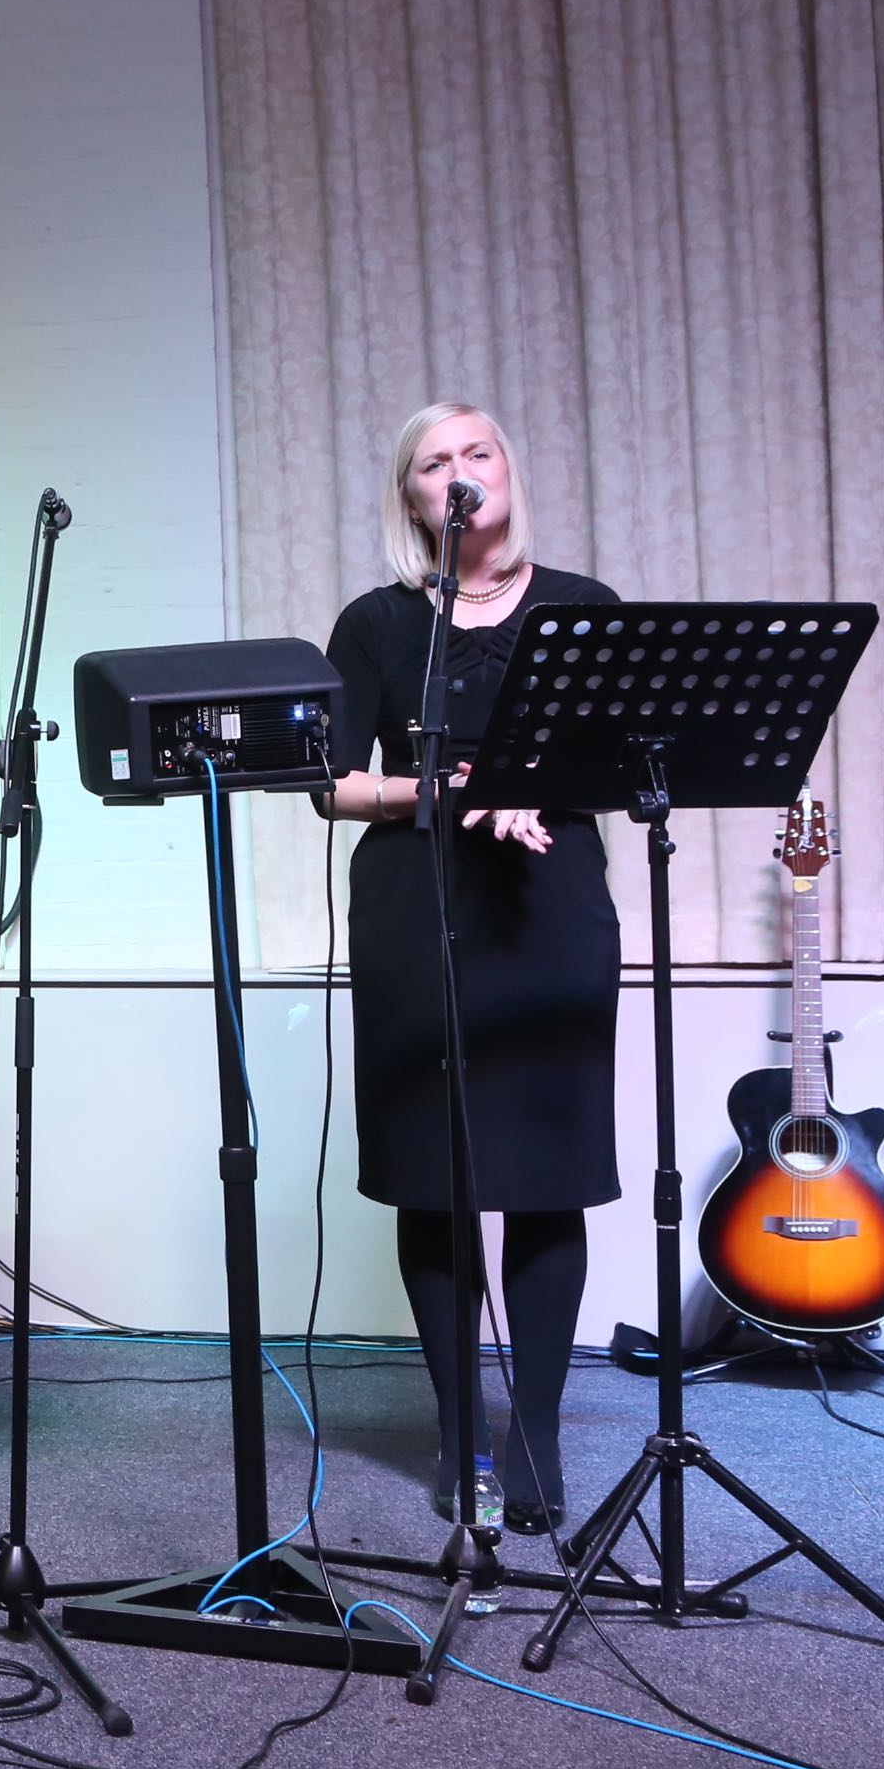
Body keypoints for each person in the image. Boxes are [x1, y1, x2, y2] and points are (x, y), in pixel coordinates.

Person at [320, 402, 621, 1535]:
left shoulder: (583, 608)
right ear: (412, 497)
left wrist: (529, 790)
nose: (459, 471)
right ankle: (458, 1427)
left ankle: (532, 1428)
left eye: (478, 450)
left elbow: (617, 756)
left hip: (546, 898)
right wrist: (443, 793)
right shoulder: (377, 622)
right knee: (430, 1169)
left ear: (509, 469)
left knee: (547, 1165)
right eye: (433, 461)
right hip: (414, 900)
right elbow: (335, 782)